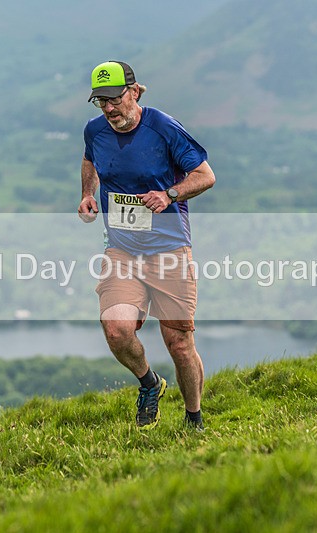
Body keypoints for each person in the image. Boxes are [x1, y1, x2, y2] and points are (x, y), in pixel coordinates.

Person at [77, 60, 215, 431]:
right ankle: (149, 383)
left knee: (179, 342)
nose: (109, 109)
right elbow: (90, 159)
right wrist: (87, 194)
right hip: (122, 251)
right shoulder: (96, 131)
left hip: (169, 251)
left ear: (135, 92)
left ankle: (194, 419)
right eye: (100, 102)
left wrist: (170, 194)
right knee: (117, 329)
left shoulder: (164, 128)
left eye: (115, 99)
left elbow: (205, 176)